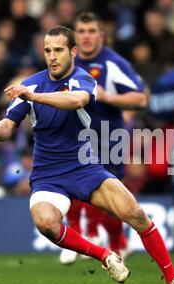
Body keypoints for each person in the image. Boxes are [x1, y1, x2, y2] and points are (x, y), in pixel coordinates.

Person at [0, 26, 174, 284]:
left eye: (59, 50)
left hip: (85, 167)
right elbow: (8, 124)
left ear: (73, 51)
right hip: (47, 174)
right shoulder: (31, 84)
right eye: (48, 50)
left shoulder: (83, 79)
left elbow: (75, 101)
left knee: (136, 214)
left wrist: (33, 96)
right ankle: (105, 256)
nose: (52, 56)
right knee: (46, 224)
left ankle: (173, 278)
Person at [59, 12, 148, 265]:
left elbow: (140, 99)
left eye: (91, 31)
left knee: (109, 200)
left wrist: (107, 96)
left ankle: (117, 241)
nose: (86, 37)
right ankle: (78, 234)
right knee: (71, 184)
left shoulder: (112, 63)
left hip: (109, 137)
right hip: (75, 137)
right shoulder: (66, 61)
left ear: (102, 35)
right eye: (82, 31)